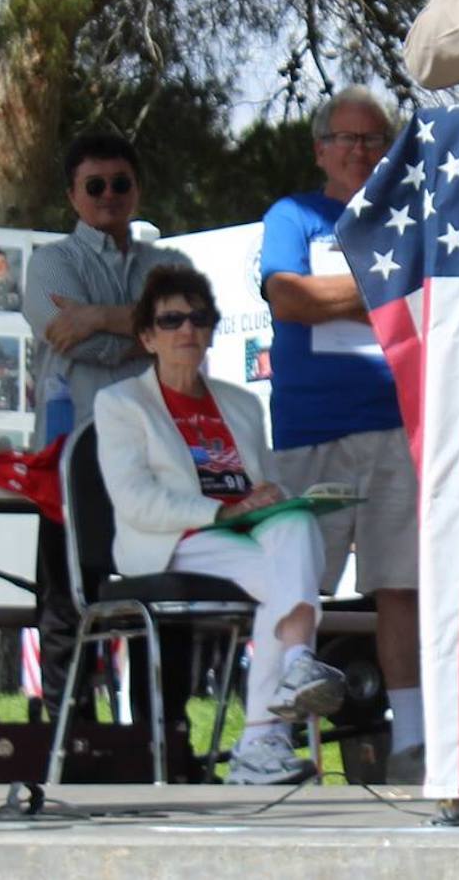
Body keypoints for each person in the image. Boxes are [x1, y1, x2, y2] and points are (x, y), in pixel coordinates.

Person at [95, 264, 346, 785]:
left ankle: (285, 689)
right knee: (282, 571)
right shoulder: (120, 403)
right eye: (170, 320)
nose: (186, 330)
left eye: (199, 318)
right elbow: (135, 499)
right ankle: (266, 732)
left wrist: (269, 497)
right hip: (174, 539)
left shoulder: (242, 403)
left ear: (211, 329)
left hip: (246, 533)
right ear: (147, 336)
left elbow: (265, 479)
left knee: (296, 523)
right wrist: (217, 511)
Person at [260, 85, 423, 784]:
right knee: (296, 587)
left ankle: (413, 743)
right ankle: (264, 741)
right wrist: (381, 287)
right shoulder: (292, 216)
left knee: (402, 587)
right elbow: (289, 297)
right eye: (347, 140)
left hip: (398, 428)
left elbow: (431, 298)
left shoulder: (411, 215)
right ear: (320, 148)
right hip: (312, 430)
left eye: (372, 140)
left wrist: (350, 294)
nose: (360, 152)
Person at [23, 132, 191, 720]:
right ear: (73, 196)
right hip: (73, 461)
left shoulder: (168, 263)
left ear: (137, 188)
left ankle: (163, 736)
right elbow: (75, 343)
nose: (110, 195)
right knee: (69, 603)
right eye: (95, 185)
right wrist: (147, 333)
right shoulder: (49, 261)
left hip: (154, 459)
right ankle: (72, 737)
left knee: (166, 599)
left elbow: (188, 335)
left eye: (121, 183)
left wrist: (98, 318)